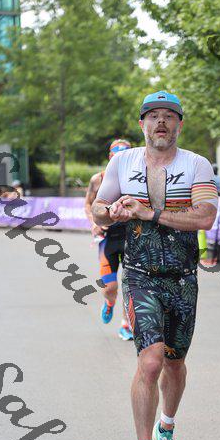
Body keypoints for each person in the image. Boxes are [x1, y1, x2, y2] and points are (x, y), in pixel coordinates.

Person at [92, 90, 217, 440]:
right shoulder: (122, 162)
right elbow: (98, 208)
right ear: (142, 123)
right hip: (140, 274)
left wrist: (149, 212)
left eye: (169, 115)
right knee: (150, 362)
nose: (161, 122)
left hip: (182, 278)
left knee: (174, 363)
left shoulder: (196, 164)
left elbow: (205, 217)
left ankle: (166, 428)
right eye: (153, 115)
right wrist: (110, 213)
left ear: (179, 123)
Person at [85, 139, 133, 341]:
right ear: (110, 157)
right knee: (110, 287)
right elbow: (88, 204)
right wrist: (94, 223)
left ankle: (126, 325)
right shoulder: (98, 179)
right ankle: (110, 302)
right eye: (116, 157)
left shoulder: (138, 178)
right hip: (108, 240)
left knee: (131, 286)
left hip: (132, 237)